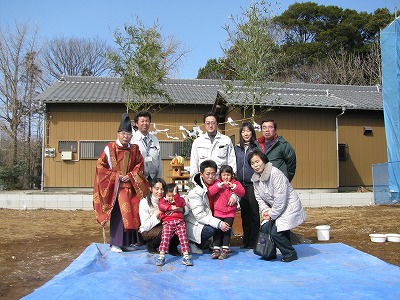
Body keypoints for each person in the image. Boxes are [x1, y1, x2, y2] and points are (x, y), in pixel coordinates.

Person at [93, 113, 149, 253]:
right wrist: (117, 176)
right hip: (116, 187)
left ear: (132, 135)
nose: (126, 136)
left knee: (134, 213)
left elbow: (139, 166)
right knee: (120, 214)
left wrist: (130, 176)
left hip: (132, 186)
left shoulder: (135, 149)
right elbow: (101, 167)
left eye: (128, 134)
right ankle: (116, 243)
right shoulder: (110, 148)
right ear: (118, 134)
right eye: (123, 133)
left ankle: (129, 242)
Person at [249, 148, 306, 262]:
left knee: (276, 232)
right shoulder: (255, 179)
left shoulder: (275, 174)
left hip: (288, 207)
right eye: (252, 163)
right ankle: (269, 253)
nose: (255, 165)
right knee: (265, 228)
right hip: (275, 209)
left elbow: (281, 199)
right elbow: (259, 198)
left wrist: (271, 214)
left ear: (264, 161)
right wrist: (265, 211)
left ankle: (290, 254)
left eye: (257, 161)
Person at [185, 159, 231, 254]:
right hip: (196, 223)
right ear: (201, 174)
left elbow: (234, 190)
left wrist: (235, 197)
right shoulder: (195, 191)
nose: (211, 177)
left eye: (213, 174)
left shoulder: (218, 185)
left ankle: (211, 243)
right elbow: (200, 216)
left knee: (226, 220)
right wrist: (219, 223)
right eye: (208, 174)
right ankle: (193, 243)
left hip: (211, 218)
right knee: (214, 228)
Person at [208, 165, 245, 259]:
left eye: (228, 175)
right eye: (224, 175)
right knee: (217, 230)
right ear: (220, 175)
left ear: (232, 175)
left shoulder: (235, 183)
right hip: (218, 212)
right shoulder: (217, 183)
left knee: (227, 230)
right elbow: (210, 192)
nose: (226, 177)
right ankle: (216, 249)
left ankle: (225, 249)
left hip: (230, 212)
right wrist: (219, 186)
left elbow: (242, 192)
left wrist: (234, 188)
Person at [234, 122, 261, 249]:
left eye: (248, 131)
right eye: (243, 131)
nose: (246, 133)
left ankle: (254, 241)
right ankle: (246, 240)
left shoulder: (256, 147)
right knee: (244, 213)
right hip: (241, 184)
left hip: (253, 183)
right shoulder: (237, 148)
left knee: (254, 213)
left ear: (252, 132)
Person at [138, 178, 180, 256]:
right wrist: (156, 215)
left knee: (179, 224)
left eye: (162, 189)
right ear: (150, 189)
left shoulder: (167, 199)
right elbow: (145, 226)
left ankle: (172, 247)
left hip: (162, 226)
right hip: (148, 230)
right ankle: (151, 245)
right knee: (167, 229)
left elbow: (183, 206)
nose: (160, 192)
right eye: (157, 189)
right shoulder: (144, 202)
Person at [190, 111, 236, 177]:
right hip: (204, 180)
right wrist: (194, 179)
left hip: (221, 180)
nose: (210, 126)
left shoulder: (226, 140)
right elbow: (194, 163)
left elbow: (231, 160)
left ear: (217, 124)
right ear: (204, 124)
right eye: (208, 123)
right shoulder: (198, 142)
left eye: (213, 123)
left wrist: (232, 177)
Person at [156, 183, 193, 266]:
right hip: (168, 223)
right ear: (165, 195)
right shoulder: (163, 201)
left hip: (179, 222)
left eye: (173, 195)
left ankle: (186, 256)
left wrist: (176, 196)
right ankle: (161, 256)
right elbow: (161, 205)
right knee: (165, 238)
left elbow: (181, 203)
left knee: (183, 238)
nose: (171, 198)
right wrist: (170, 207)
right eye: (169, 195)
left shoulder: (179, 200)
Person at [131, 110, 162, 182]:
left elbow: (159, 159)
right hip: (138, 177)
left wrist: (159, 179)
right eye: (142, 121)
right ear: (137, 123)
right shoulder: (132, 139)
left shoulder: (154, 139)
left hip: (153, 177)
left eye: (147, 121)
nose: (145, 123)